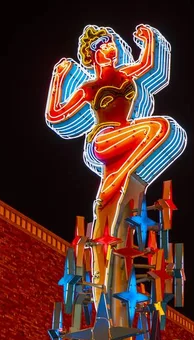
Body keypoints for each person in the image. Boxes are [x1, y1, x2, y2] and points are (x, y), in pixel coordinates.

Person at [46, 24, 186, 291]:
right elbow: (55, 115)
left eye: (111, 43)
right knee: (158, 127)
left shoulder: (125, 73)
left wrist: (149, 40)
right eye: (104, 45)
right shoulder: (90, 87)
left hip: (128, 141)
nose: (111, 47)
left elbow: (148, 65)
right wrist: (59, 77)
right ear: (93, 53)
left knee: (107, 212)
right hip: (106, 140)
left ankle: (102, 284)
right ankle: (117, 181)